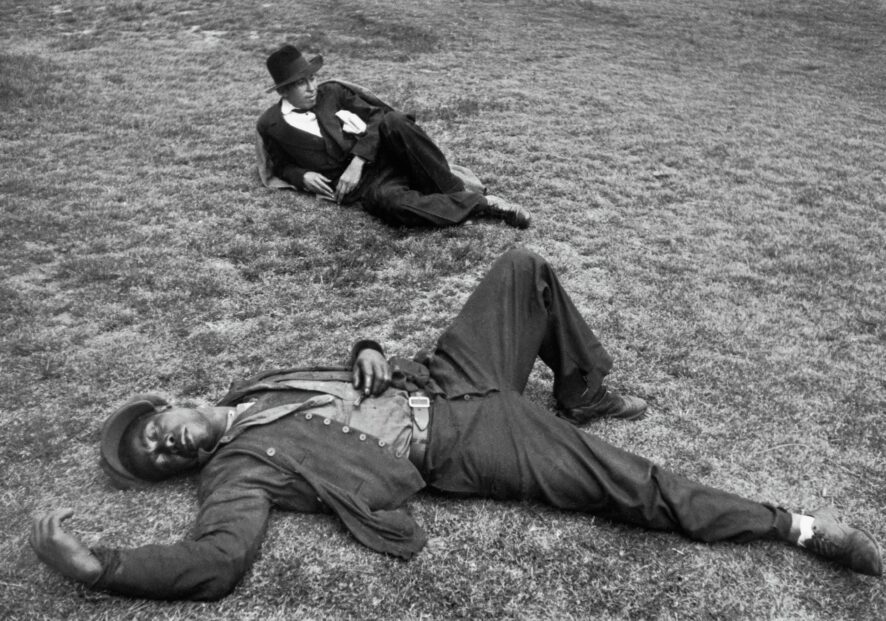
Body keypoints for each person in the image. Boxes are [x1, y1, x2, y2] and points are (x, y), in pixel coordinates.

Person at [30, 248, 881, 601]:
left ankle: (582, 386)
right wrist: (101, 565)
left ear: (172, 397)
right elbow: (218, 558)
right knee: (633, 487)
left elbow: (351, 367)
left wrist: (366, 346)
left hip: (449, 373)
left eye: (153, 426)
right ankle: (796, 526)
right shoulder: (237, 471)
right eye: (156, 459)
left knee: (521, 268)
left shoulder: (253, 384)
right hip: (464, 441)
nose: (165, 443)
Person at [255, 44, 530, 229]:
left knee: (395, 121)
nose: (311, 87)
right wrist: (301, 176)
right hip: (367, 186)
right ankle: (483, 205)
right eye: (301, 83)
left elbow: (378, 116)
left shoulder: (332, 93)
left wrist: (358, 159)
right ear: (282, 91)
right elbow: (280, 165)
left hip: (386, 152)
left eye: (312, 78)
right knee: (391, 206)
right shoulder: (272, 125)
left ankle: (455, 190)